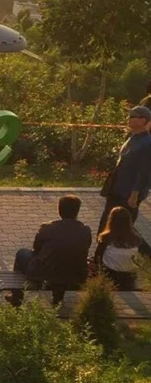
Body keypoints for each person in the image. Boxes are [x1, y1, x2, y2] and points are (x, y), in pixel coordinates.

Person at [11, 194, 92, 306]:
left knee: (22, 253)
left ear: (59, 210)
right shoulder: (85, 230)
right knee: (65, 259)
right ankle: (57, 298)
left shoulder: (47, 228)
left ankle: (17, 297)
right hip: (75, 274)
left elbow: (36, 249)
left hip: (46, 273)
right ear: (77, 211)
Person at [98, 106, 151, 234]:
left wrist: (135, 194)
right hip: (116, 189)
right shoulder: (132, 137)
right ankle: (100, 252)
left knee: (121, 229)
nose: (129, 119)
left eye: (133, 117)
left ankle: (125, 252)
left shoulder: (147, 143)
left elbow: (144, 171)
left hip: (128, 193)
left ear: (144, 120)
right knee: (106, 223)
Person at [93, 206, 146, 291]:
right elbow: (145, 256)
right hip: (129, 275)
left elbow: (97, 257)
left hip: (110, 274)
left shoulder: (105, 238)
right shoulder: (136, 239)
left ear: (111, 220)